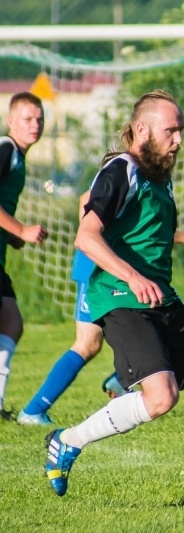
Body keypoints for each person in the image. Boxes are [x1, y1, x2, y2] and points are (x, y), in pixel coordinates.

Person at [44, 90, 184, 509]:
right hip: (118, 297)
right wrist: (132, 276)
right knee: (162, 398)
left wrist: (177, 244)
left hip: (161, 299)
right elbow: (86, 236)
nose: (179, 140)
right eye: (172, 130)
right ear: (142, 128)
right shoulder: (121, 170)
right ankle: (66, 440)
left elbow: (148, 233)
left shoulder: (159, 179)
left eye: (181, 132)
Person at [17, 191, 184, 425]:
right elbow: (87, 201)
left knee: (149, 329)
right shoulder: (122, 169)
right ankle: (34, 410)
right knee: (87, 343)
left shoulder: (142, 177)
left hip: (121, 274)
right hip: (99, 272)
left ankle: (121, 380)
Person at [0, 92, 49, 420]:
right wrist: (21, 230)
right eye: (28, 118)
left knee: (11, 320)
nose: (35, 124)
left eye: (40, 118)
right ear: (11, 121)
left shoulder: (17, 154)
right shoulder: (6, 149)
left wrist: (12, 236)